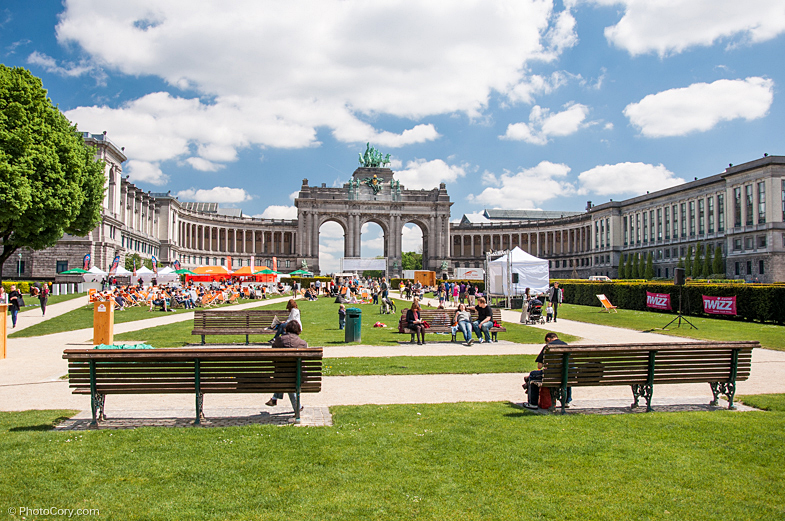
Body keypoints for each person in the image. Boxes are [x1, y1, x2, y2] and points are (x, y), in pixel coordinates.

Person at [265, 321, 307, 410]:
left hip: (280, 374)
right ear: (298, 330)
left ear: (286, 329)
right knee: (289, 378)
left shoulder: (278, 341)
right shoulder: (302, 343)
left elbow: (274, 360)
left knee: (284, 378)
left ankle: (274, 398)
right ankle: (297, 408)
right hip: (297, 375)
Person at [523, 332, 569, 409]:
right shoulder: (566, 346)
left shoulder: (548, 347)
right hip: (566, 375)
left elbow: (539, 365)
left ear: (548, 339)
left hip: (551, 375)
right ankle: (566, 401)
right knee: (566, 376)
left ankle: (533, 403)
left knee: (533, 375)